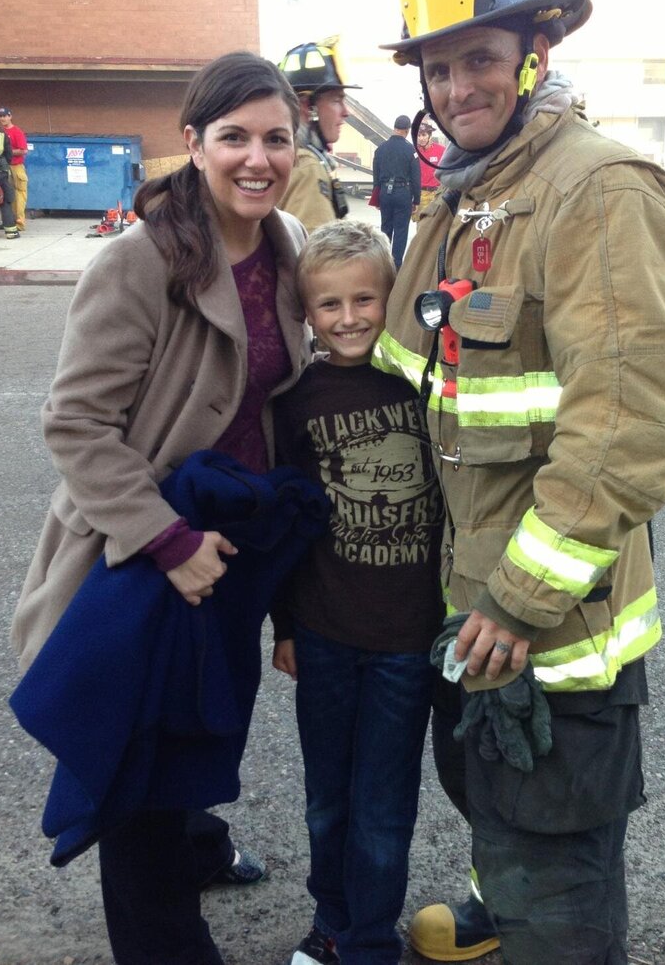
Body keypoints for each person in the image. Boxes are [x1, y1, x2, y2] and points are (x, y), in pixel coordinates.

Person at [373, 0, 665, 964]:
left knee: (557, 882)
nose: (456, 86)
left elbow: (632, 421)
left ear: (534, 53)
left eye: (478, 58)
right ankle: (494, 913)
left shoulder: (592, 187)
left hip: (546, 638)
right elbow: (408, 380)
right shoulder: (468, 193)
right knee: (497, 821)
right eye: (437, 67)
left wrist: (518, 598)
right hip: (471, 616)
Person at [11, 51, 313, 965]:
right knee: (141, 753)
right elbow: (76, 422)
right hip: (149, 543)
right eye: (234, 138)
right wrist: (166, 538)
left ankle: (198, 842)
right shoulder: (139, 261)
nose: (256, 158)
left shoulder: (288, 245)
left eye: (276, 138)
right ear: (192, 142)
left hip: (238, 542)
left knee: (206, 716)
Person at [271, 218, 445, 965]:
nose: (349, 318)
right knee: (326, 800)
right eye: (329, 305)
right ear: (306, 314)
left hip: (409, 640)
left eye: (365, 299)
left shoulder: (424, 388)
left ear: (392, 297)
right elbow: (287, 524)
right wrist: (283, 626)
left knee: (383, 805)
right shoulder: (297, 401)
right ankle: (331, 922)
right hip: (324, 635)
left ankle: (370, 940)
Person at [278, 38, 358, 231]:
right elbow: (318, 259)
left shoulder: (287, 157)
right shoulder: (308, 168)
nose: (345, 111)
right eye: (336, 100)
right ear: (306, 105)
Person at [371, 114, 420, 268]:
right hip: (403, 193)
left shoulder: (380, 149)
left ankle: (383, 263)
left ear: (394, 128)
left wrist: (377, 197)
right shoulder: (411, 150)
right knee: (401, 230)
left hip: (385, 192)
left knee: (385, 227)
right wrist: (416, 200)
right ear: (407, 130)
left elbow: (376, 176)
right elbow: (415, 177)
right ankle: (396, 265)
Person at [0, 102, 19, 239]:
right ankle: (11, 232)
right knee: (5, 201)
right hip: (0, 173)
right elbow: (9, 155)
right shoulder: (1, 134)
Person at [0, 106, 28, 230]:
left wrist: (7, 151)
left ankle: (19, 223)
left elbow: (23, 150)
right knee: (7, 196)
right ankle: (9, 222)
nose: (3, 118)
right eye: (0, 116)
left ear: (10, 116)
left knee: (19, 195)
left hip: (17, 167)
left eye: (5, 115)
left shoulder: (16, 131)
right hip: (4, 168)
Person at [412, 120, 444, 221]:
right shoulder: (413, 152)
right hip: (421, 195)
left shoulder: (442, 151)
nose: (421, 138)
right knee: (421, 225)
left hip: (438, 194)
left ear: (430, 135)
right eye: (418, 135)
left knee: (438, 224)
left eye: (424, 135)